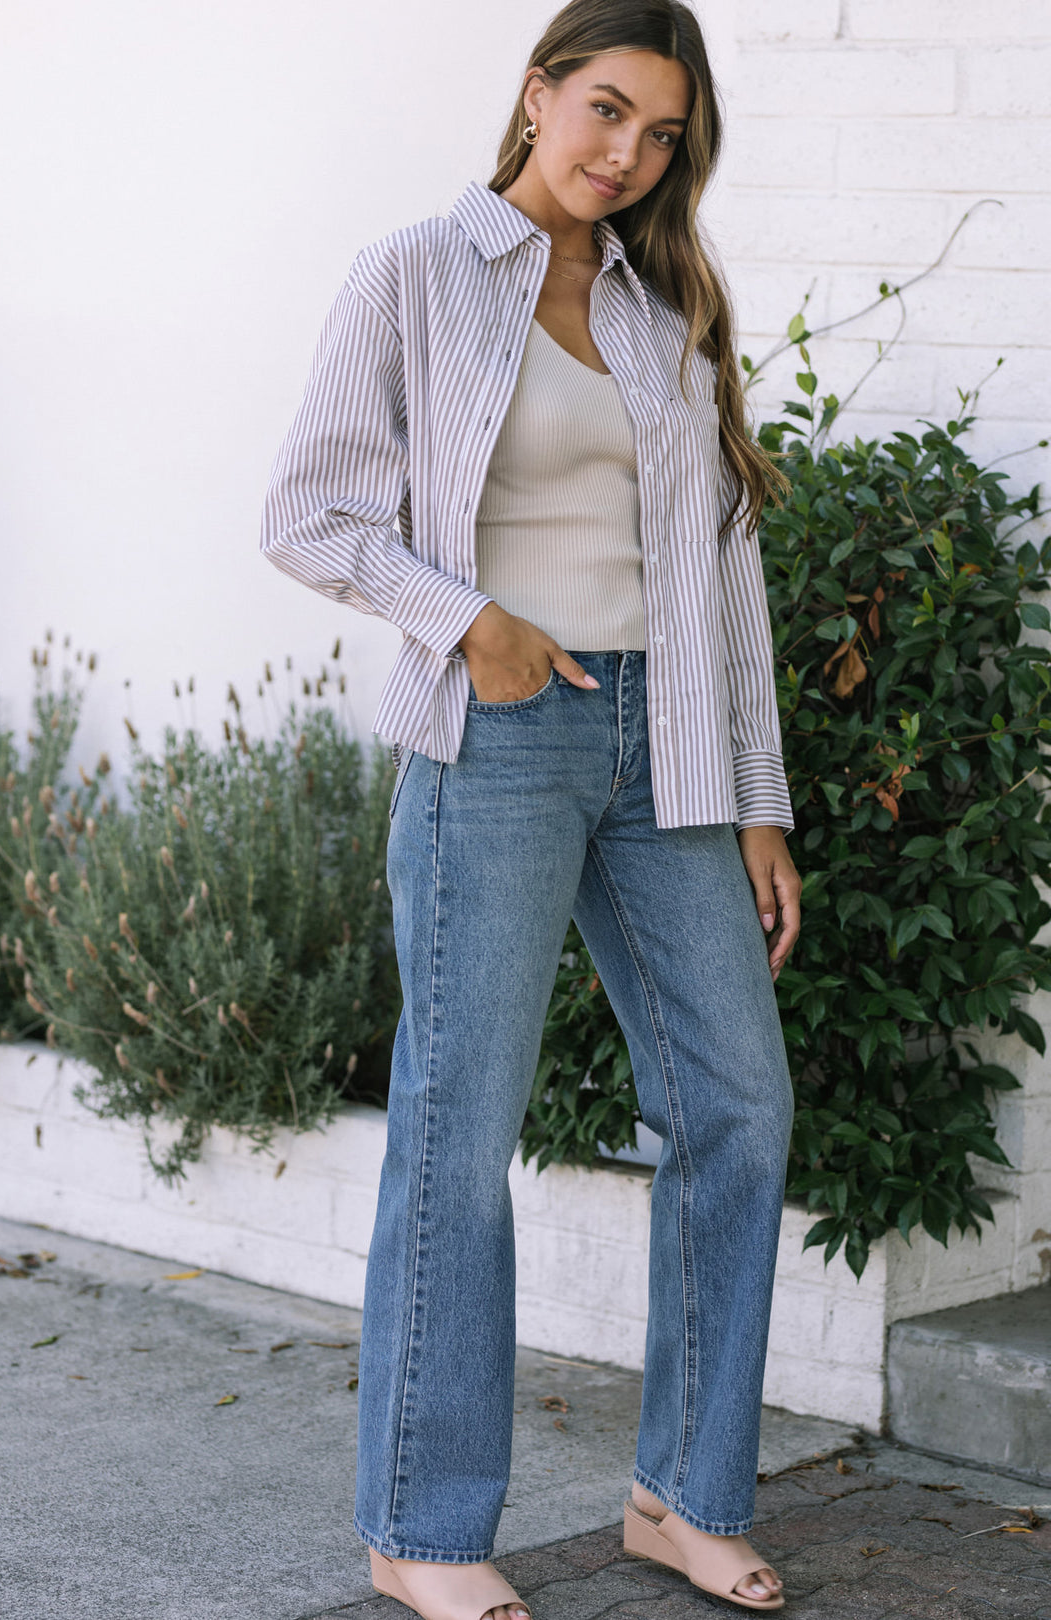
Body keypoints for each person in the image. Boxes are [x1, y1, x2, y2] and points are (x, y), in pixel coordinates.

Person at [260, 1, 802, 1613]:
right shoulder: (413, 273)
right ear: (537, 93)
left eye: (657, 137)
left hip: (672, 752)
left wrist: (760, 804)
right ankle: (422, 1532)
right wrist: (466, 621)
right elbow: (308, 509)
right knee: (456, 1134)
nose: (623, 154)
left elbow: (726, 575)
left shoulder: (667, 307)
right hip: (496, 738)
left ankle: (681, 1494)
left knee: (738, 1109)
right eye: (606, 111)